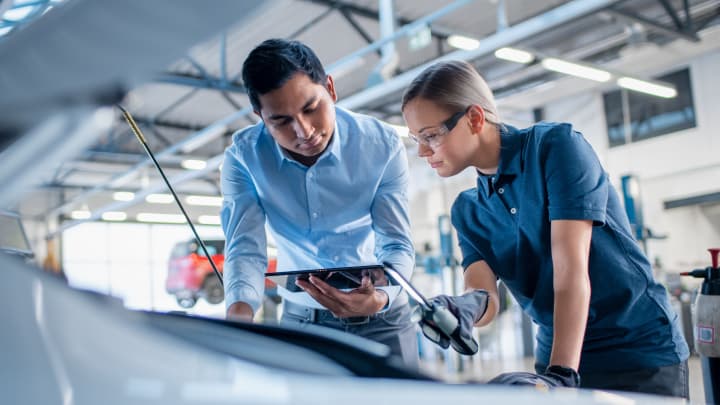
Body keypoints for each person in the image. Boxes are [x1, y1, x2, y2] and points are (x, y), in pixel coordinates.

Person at [401, 60, 689, 397]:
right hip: (555, 354)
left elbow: (570, 270)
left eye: (430, 136)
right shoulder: (469, 210)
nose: (422, 151)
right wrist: (463, 308)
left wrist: (561, 374)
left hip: (635, 352)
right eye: (416, 140)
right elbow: (485, 296)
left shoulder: (555, 148)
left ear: (475, 118)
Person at [220, 39, 418, 368]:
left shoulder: (381, 147)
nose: (304, 131)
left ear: (330, 88)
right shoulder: (243, 159)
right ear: (260, 116)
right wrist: (239, 316)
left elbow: (396, 242)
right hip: (302, 321)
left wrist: (381, 297)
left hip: (381, 318)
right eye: (281, 121)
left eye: (311, 108)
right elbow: (244, 249)